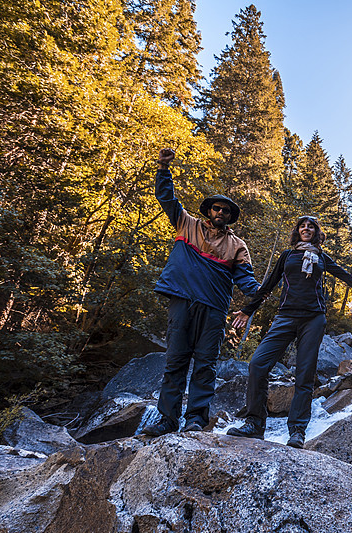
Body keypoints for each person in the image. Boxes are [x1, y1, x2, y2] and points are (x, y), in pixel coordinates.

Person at [228, 215, 352, 448]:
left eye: (311, 226)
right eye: (302, 225)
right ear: (297, 231)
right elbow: (268, 285)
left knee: (304, 374)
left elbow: (344, 275)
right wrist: (249, 310)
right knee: (258, 364)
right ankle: (254, 424)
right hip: (285, 316)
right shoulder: (287, 256)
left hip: (313, 318)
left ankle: (297, 431)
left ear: (317, 233)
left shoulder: (321, 257)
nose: (306, 228)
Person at [142, 148, 260, 437]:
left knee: (206, 365)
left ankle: (196, 418)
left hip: (214, 310)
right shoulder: (186, 224)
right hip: (182, 301)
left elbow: (247, 281)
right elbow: (166, 198)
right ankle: (167, 420)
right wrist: (162, 168)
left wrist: (258, 301)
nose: (220, 213)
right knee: (175, 362)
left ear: (230, 217)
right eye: (216, 208)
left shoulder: (237, 246)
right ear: (208, 210)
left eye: (226, 211)